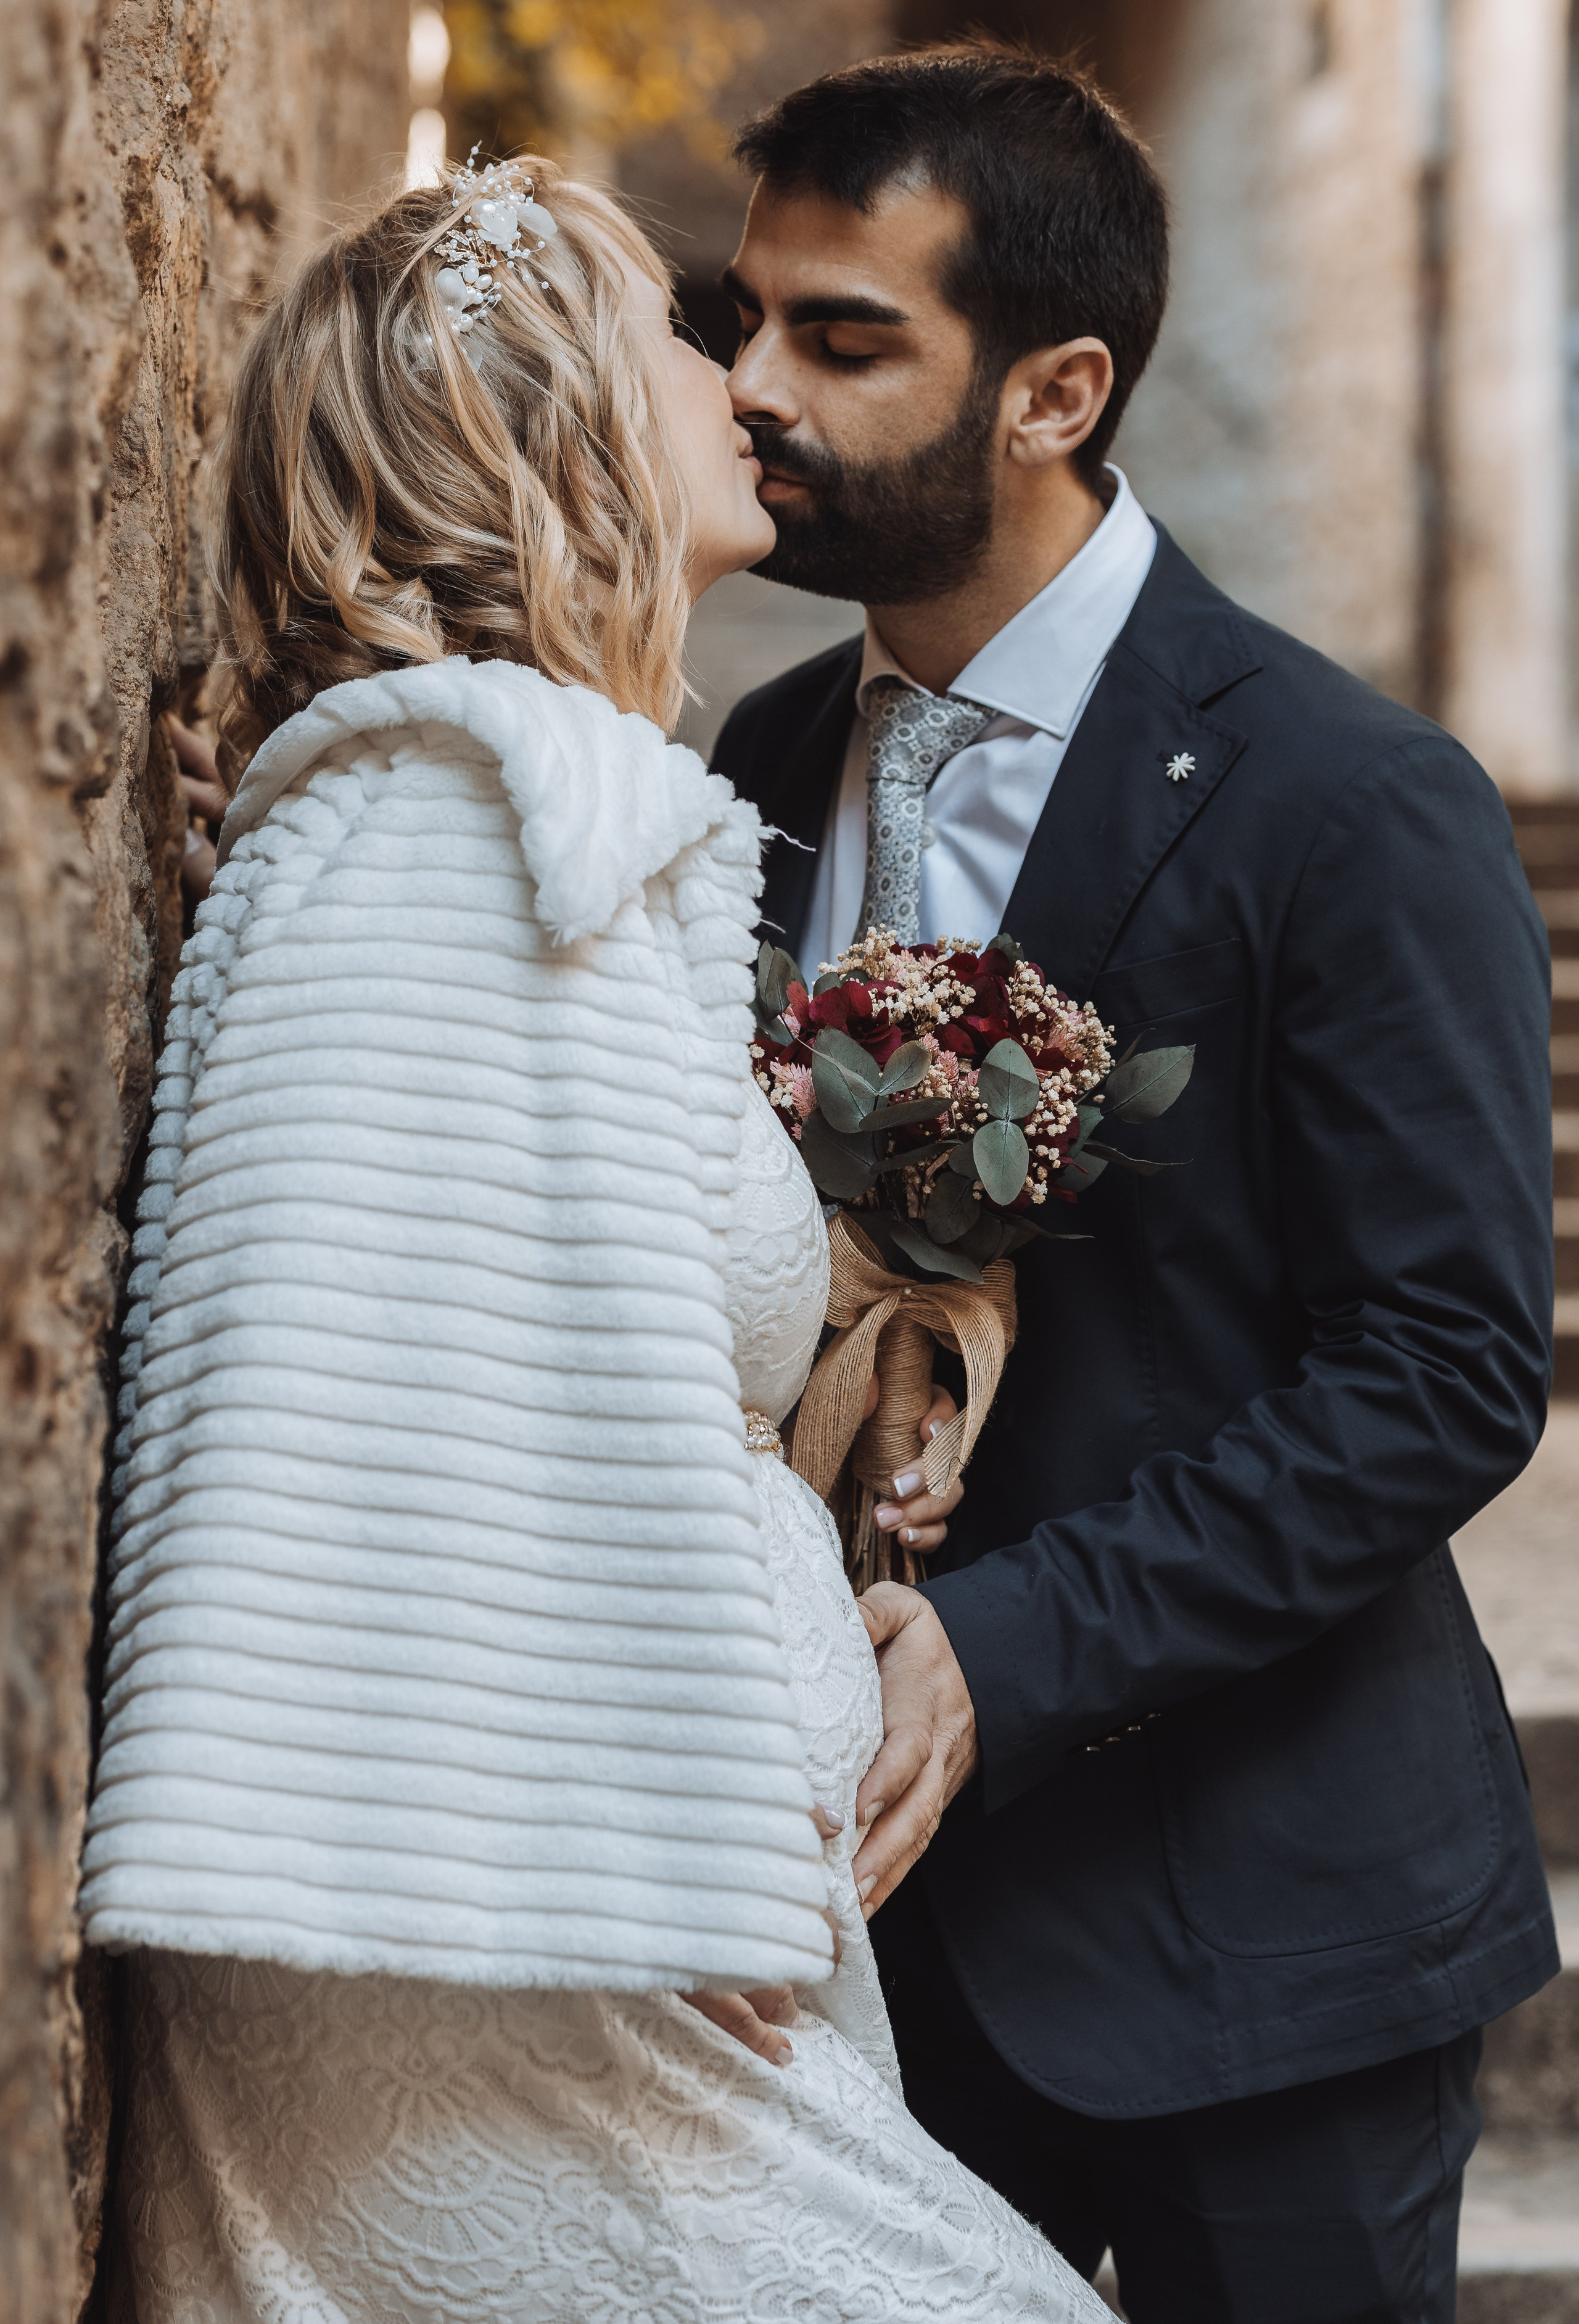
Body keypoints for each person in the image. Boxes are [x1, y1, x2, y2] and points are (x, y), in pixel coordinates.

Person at [81, 156, 1113, 2322]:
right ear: (550, 416)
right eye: (677, 328)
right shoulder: (463, 829)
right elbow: (396, 1458)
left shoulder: (523, 814)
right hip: (519, 1976)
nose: (732, 379)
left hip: (601, 1963)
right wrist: (690, 1865)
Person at [709, 42, 1560, 2324]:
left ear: (1055, 390)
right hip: (864, 1963)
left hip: (1267, 1944)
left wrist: (1001, 1645)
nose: (750, 388)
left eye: (842, 336)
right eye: (748, 317)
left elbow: (1448, 1370)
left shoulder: (1350, 800)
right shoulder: (761, 761)